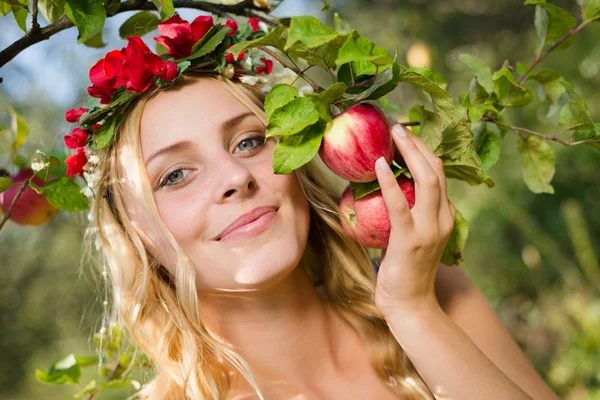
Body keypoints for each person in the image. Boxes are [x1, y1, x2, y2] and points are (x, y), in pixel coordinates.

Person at [67, 16, 560, 400]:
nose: (236, 177)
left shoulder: (434, 294)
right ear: (135, 230)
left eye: (249, 141)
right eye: (175, 174)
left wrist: (413, 312)